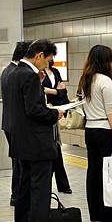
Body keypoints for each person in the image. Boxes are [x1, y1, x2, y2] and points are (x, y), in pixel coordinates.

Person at [6, 39, 64, 222]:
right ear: (39, 55)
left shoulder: (13, 73)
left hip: (21, 142)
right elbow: (34, 110)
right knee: (40, 192)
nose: (46, 66)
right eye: (47, 61)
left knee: (23, 191)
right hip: (37, 144)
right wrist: (54, 113)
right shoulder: (29, 76)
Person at [77, 45, 112, 222]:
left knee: (93, 171)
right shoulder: (105, 80)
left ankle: (94, 212)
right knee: (107, 173)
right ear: (106, 60)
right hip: (104, 129)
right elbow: (110, 110)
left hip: (90, 130)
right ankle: (108, 213)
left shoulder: (86, 79)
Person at [1, 41, 30, 206]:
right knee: (20, 163)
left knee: (16, 161)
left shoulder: (6, 71)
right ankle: (17, 195)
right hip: (18, 124)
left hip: (8, 122)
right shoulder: (18, 72)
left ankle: (16, 194)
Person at [42, 60, 72, 194]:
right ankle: (62, 184)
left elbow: (63, 91)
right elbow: (41, 90)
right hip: (46, 112)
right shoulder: (38, 73)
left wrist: (56, 92)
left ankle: (63, 184)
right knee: (54, 149)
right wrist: (57, 91)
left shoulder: (55, 71)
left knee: (56, 146)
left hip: (57, 111)